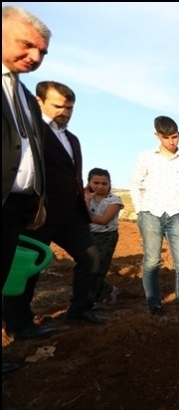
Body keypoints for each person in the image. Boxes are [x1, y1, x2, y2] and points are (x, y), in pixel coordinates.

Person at [6, 81, 110, 342]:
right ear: (39, 102)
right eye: (59, 106)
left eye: (70, 107)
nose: (65, 112)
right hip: (36, 213)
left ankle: (80, 310)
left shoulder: (72, 139)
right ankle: (19, 324)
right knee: (28, 268)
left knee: (91, 258)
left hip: (71, 214)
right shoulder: (29, 131)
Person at [1, 5, 53, 374]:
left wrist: (39, 197)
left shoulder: (20, 93)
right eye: (27, 45)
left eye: (42, 52)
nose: (35, 56)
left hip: (16, 205)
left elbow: (31, 151)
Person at [128, 115, 179, 316]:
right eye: (166, 137)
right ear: (157, 135)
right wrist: (140, 208)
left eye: (175, 137)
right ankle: (154, 304)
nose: (171, 141)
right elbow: (135, 182)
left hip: (178, 214)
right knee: (151, 261)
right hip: (151, 213)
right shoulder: (146, 156)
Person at [85, 167, 124, 307]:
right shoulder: (83, 197)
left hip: (106, 237)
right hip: (87, 235)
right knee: (86, 267)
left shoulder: (114, 200)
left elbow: (103, 220)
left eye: (104, 183)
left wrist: (83, 215)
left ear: (109, 184)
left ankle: (92, 300)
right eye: (96, 182)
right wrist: (86, 200)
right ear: (88, 182)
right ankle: (108, 290)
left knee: (98, 269)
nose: (100, 186)